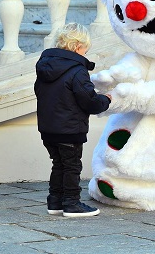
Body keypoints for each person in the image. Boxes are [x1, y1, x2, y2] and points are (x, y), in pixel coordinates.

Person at [34, 23, 111, 217]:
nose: (86, 52)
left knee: (58, 163)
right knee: (71, 166)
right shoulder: (76, 70)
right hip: (69, 128)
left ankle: (55, 202)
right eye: (86, 48)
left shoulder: (45, 66)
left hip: (48, 128)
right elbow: (89, 101)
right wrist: (106, 99)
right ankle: (71, 203)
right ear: (78, 46)